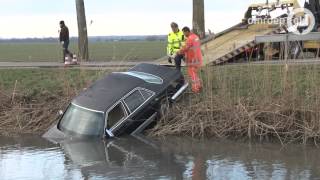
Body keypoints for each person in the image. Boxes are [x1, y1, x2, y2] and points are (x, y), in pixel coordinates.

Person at [178, 27, 203, 93]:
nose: (184, 34)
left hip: (192, 59)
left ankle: (195, 89)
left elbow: (185, 48)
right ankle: (199, 86)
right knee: (195, 73)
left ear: (187, 31)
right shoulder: (196, 37)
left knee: (192, 74)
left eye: (184, 33)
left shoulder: (189, 39)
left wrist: (179, 52)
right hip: (198, 58)